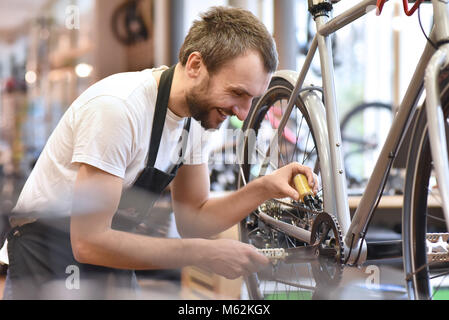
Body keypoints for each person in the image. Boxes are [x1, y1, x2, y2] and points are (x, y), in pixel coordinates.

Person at [1, 6, 318, 299]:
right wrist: (202, 254)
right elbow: (89, 242)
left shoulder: (196, 120)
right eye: (237, 93)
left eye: (252, 98)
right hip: (46, 257)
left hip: (108, 258)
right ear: (195, 65)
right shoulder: (118, 109)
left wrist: (264, 188)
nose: (242, 113)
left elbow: (194, 217)